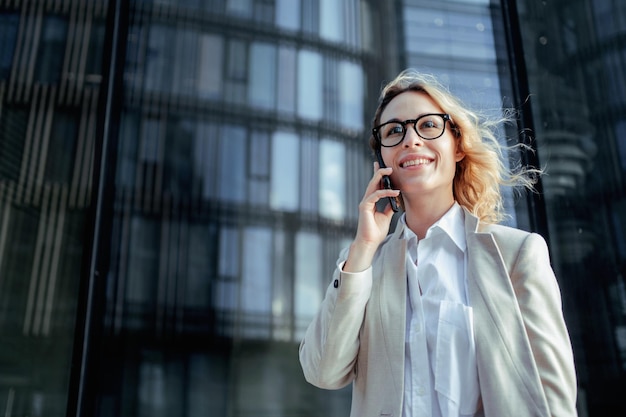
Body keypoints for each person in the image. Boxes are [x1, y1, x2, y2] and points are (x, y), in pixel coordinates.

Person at [299, 69, 577, 417]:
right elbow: (322, 371)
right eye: (394, 131)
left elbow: (552, 400)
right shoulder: (364, 266)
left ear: (457, 146)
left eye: (428, 125)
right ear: (383, 159)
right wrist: (364, 247)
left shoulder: (517, 254)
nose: (410, 139)